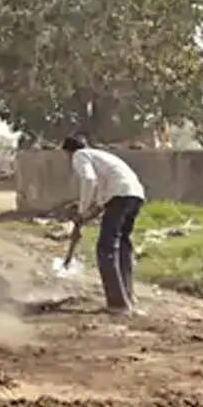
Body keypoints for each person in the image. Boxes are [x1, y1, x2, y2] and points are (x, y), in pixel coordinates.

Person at [62, 134, 146, 314]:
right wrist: (85, 218)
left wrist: (82, 211)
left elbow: (88, 180)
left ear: (68, 152)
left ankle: (118, 304)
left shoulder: (80, 155)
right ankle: (127, 296)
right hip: (136, 196)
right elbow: (102, 202)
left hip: (120, 197)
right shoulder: (101, 158)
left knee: (106, 249)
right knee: (122, 246)